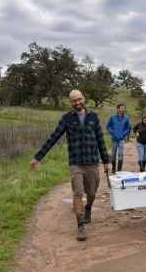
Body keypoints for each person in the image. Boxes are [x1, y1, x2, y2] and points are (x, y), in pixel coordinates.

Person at [30, 90, 110, 241]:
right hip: (76, 162)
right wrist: (37, 158)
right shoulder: (66, 118)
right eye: (74, 101)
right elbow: (53, 137)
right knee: (77, 192)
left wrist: (106, 161)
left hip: (92, 161)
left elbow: (100, 139)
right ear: (70, 102)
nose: (77, 102)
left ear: (84, 99)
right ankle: (80, 226)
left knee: (91, 192)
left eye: (79, 99)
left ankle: (88, 208)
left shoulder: (94, 117)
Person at [106, 103, 131, 173]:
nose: (123, 109)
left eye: (123, 108)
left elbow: (128, 128)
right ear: (118, 109)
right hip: (114, 138)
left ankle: (119, 170)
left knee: (120, 154)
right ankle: (113, 167)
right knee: (113, 154)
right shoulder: (112, 117)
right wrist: (113, 132)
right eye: (122, 108)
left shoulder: (126, 118)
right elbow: (107, 126)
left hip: (122, 139)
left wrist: (124, 134)